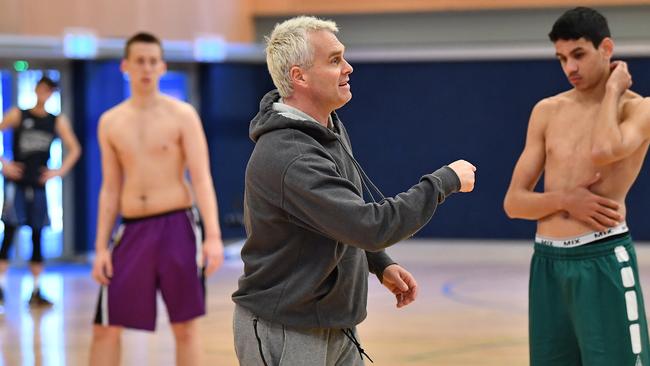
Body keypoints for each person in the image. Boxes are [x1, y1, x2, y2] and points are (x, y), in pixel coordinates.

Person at [232, 16, 476, 365]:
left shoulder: (328, 128)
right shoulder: (290, 156)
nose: (348, 67)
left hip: (335, 323)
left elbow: (339, 218)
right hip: (286, 327)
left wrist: (379, 263)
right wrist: (444, 181)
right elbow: (370, 226)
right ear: (298, 76)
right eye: (334, 60)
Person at [504, 7, 650, 366]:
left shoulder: (639, 110)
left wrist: (613, 90)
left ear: (606, 48)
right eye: (562, 58)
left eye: (579, 55)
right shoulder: (546, 111)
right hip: (547, 262)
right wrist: (567, 200)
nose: (570, 67)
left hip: (603, 259)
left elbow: (604, 150)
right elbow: (514, 203)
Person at [88, 32, 224, 366]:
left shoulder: (182, 115)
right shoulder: (110, 122)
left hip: (177, 225)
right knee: (106, 326)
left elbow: (202, 177)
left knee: (185, 328)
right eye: (139, 61)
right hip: (132, 229)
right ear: (126, 66)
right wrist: (101, 247)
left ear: (162, 67)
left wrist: (214, 237)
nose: (146, 68)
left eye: (153, 61)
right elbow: (109, 188)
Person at [0, 76, 81, 307]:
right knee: (10, 234)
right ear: (36, 90)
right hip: (17, 183)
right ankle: (1, 288)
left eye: (49, 91)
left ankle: (36, 291)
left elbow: (75, 148)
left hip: (39, 184)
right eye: (41, 89)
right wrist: (4, 163)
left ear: (52, 94)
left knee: (37, 237)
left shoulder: (55, 121)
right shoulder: (19, 114)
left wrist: (59, 171)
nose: (44, 94)